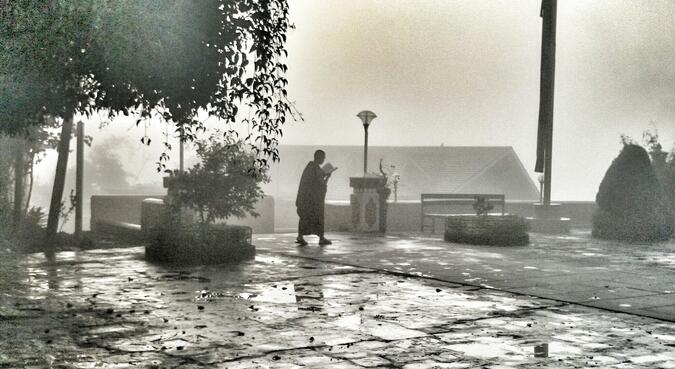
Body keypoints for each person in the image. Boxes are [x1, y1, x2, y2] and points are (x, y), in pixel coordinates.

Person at [295, 149, 333, 246]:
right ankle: (321, 238)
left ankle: (300, 236)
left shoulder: (310, 167)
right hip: (313, 200)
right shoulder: (315, 169)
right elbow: (321, 184)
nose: (323, 160)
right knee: (318, 217)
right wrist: (328, 177)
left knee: (304, 218)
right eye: (323, 158)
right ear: (319, 157)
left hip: (305, 199)